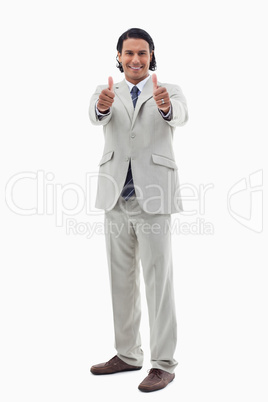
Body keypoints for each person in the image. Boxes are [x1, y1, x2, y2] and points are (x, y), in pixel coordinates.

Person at [88, 27, 188, 392]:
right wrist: (101, 106)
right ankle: (128, 354)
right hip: (115, 196)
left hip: (155, 197)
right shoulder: (107, 92)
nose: (135, 59)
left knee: (158, 282)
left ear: (151, 56)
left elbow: (179, 116)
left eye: (142, 53)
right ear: (119, 56)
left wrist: (164, 106)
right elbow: (95, 115)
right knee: (120, 281)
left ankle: (163, 363)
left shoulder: (169, 91)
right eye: (129, 53)